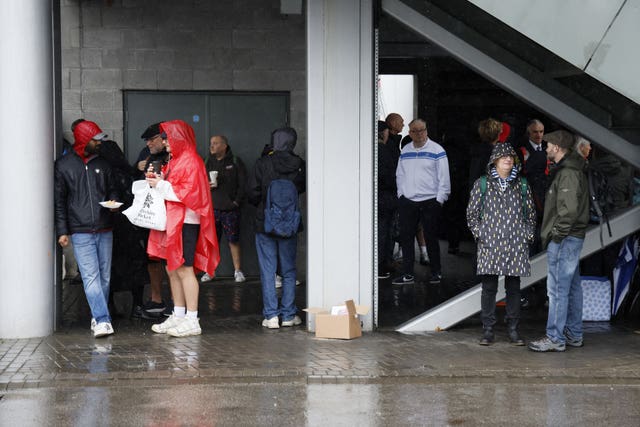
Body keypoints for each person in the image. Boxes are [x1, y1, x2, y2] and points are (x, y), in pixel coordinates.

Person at [147, 120, 220, 337]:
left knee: (184, 269)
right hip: (175, 221)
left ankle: (192, 318)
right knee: (173, 268)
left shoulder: (191, 161)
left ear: (178, 138)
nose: (165, 142)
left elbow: (188, 195)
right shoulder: (179, 160)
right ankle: (179, 314)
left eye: (168, 138)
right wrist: (158, 181)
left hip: (186, 222)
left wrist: (160, 184)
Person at [466, 143, 536, 345]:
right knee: (489, 287)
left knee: (514, 288)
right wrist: (481, 235)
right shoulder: (483, 184)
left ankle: (513, 329)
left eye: (511, 156)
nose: (508, 159)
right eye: (503, 156)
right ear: (494, 161)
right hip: (490, 243)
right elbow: (471, 214)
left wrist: (527, 236)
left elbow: (531, 215)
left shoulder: (522, 185)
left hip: (516, 243)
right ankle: (488, 330)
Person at [55, 120, 119, 337]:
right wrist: (62, 231)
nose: (99, 143)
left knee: (105, 277)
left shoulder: (104, 164)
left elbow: (113, 190)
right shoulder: (64, 165)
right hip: (80, 230)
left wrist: (114, 202)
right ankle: (102, 319)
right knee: (91, 276)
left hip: (105, 227)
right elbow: (60, 201)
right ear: (84, 140)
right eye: (95, 139)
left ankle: (97, 316)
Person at [528, 130, 590, 352]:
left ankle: (555, 337)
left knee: (556, 290)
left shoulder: (568, 174)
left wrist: (557, 235)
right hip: (571, 238)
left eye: (549, 145)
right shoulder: (571, 170)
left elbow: (568, 210)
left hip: (565, 239)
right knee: (571, 288)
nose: (546, 148)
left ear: (557, 147)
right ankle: (573, 334)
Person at [247, 127, 306, 329]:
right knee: (289, 271)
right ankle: (289, 315)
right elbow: (302, 188)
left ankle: (271, 316)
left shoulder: (263, 163)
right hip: (289, 223)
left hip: (265, 223)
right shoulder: (299, 164)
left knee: (268, 270)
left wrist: (266, 206)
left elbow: (252, 193)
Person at [392, 119, 451, 285]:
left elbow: (444, 177)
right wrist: (401, 194)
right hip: (408, 201)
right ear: (409, 133)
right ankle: (408, 274)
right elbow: (400, 174)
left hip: (430, 200)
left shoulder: (437, 150)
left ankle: (436, 272)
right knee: (406, 238)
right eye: (415, 131)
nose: (419, 134)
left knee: (431, 237)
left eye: (422, 130)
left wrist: (440, 199)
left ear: (427, 130)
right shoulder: (406, 150)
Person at [131, 123, 172, 319]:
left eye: (152, 139)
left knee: (173, 260)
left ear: (163, 138)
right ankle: (157, 300)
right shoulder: (145, 154)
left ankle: (176, 304)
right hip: (151, 216)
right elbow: (136, 180)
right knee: (152, 258)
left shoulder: (174, 155)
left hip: (172, 215)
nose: (148, 144)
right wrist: (136, 167)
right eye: (146, 140)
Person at [201, 135, 247, 283]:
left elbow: (243, 184)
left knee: (233, 240)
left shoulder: (235, 161)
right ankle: (210, 271)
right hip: (212, 209)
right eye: (211, 143)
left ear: (224, 146)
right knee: (211, 241)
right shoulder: (207, 161)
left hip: (230, 209)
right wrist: (206, 186)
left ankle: (238, 271)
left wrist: (236, 203)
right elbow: (199, 182)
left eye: (215, 143)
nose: (212, 146)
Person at [377, 121, 397, 278]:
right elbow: (389, 176)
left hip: (376, 196)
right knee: (384, 231)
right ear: (384, 133)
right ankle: (381, 265)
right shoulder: (383, 151)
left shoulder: (368, 149)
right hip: (385, 197)